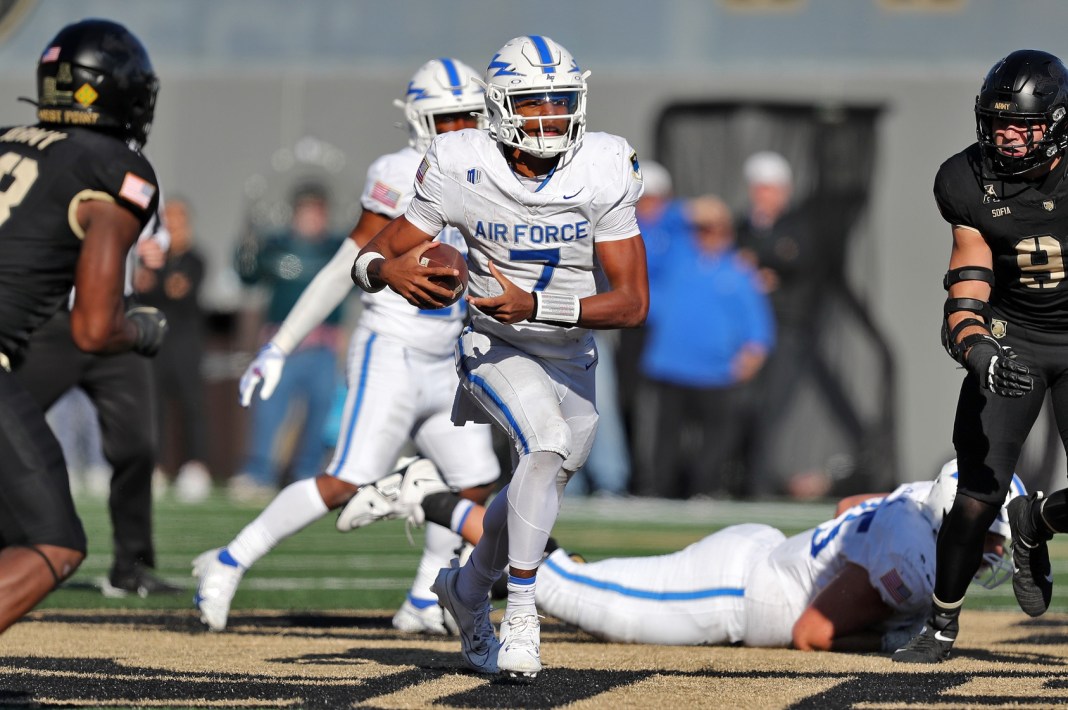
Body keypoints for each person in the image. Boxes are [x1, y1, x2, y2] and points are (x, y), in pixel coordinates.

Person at [352, 35, 649, 678]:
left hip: (569, 349)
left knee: (537, 482)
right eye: (534, 104)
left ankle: (464, 590)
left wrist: (539, 305)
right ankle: (520, 614)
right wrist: (385, 271)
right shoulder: (461, 163)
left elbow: (630, 304)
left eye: (560, 103)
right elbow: (372, 252)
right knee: (541, 447)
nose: (549, 118)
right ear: (499, 108)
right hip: (494, 342)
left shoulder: (602, 165)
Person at [191, 58, 499, 636]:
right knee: (345, 481)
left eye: (468, 117)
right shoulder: (399, 170)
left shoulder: (489, 170)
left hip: (450, 354)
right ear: (418, 121)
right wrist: (280, 344)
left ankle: (424, 599)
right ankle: (229, 561)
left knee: (476, 481)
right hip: (393, 349)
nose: (460, 130)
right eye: (448, 119)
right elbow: (347, 263)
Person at [361, 458, 1021, 651]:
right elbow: (812, 633)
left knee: (583, 580)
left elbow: (848, 509)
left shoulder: (916, 499)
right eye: (988, 534)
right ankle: (433, 498)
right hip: (727, 595)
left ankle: (464, 548)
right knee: (560, 587)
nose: (992, 551)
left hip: (756, 562)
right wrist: (888, 634)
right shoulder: (914, 552)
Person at [894, 49, 1068, 664]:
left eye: (1023, 125)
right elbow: (968, 282)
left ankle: (1038, 518)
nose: (1009, 138)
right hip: (1015, 333)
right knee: (977, 489)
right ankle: (940, 624)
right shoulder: (965, 179)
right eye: (998, 124)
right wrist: (977, 347)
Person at [0, 18, 167, 631]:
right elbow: (94, 328)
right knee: (54, 544)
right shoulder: (114, 170)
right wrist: (140, 332)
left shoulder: (5, 140)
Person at [16, 204, 180, 598]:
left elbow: (152, 228)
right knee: (10, 426)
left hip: (114, 319)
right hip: (49, 316)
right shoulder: (57, 151)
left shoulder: (133, 161)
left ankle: (132, 567)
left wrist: (155, 245)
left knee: (139, 445)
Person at [632, 194, 774, 498]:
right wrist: (685, 211)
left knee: (717, 437)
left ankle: (705, 490)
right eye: (701, 228)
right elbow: (649, 230)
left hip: (716, 370)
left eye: (714, 229)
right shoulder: (677, 256)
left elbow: (758, 324)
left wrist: (753, 354)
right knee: (664, 436)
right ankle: (658, 491)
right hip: (670, 365)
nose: (706, 235)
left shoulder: (738, 271)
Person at [230, 181, 348, 500]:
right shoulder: (275, 245)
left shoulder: (338, 248)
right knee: (268, 410)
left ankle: (306, 474)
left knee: (320, 412)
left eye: (317, 211)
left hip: (323, 347)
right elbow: (248, 275)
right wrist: (247, 245)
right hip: (281, 345)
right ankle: (259, 472)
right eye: (306, 210)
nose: (312, 218)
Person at [134, 196, 212, 503]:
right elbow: (144, 287)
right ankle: (156, 466)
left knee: (193, 405)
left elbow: (176, 290)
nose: (171, 225)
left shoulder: (196, 258)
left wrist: (157, 284)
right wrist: (156, 283)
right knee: (154, 406)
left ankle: (195, 466)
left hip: (186, 342)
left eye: (177, 218)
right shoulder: (152, 257)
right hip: (156, 341)